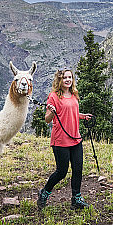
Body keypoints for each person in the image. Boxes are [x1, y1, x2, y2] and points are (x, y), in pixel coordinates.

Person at [38, 68, 92, 209]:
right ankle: (44, 192)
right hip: (61, 140)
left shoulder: (73, 94)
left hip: (75, 138)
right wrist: (52, 113)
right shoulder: (53, 97)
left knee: (78, 169)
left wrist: (82, 116)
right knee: (62, 172)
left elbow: (71, 111)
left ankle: (76, 199)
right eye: (65, 78)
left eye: (70, 77)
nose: (68, 80)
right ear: (59, 80)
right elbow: (47, 119)